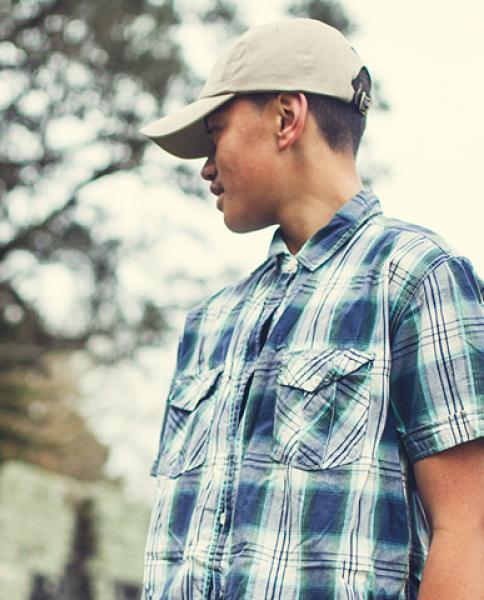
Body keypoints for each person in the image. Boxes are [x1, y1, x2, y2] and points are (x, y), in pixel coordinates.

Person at [139, 18, 484, 600]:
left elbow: (468, 530)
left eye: (216, 131)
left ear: (286, 118)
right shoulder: (211, 322)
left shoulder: (415, 277)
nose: (204, 166)